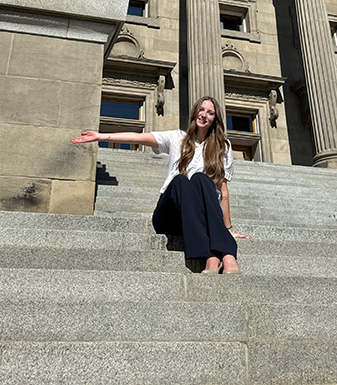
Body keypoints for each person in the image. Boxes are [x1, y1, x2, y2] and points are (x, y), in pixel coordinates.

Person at [72, 96, 250, 274]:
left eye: (210, 113)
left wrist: (227, 228)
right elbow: (138, 137)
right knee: (180, 180)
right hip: (170, 214)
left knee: (202, 179)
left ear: (215, 119)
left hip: (200, 215)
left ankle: (225, 256)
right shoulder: (176, 138)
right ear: (194, 112)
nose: (204, 115)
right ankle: (209, 255)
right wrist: (101, 136)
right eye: (201, 110)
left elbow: (223, 191)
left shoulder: (222, 146)